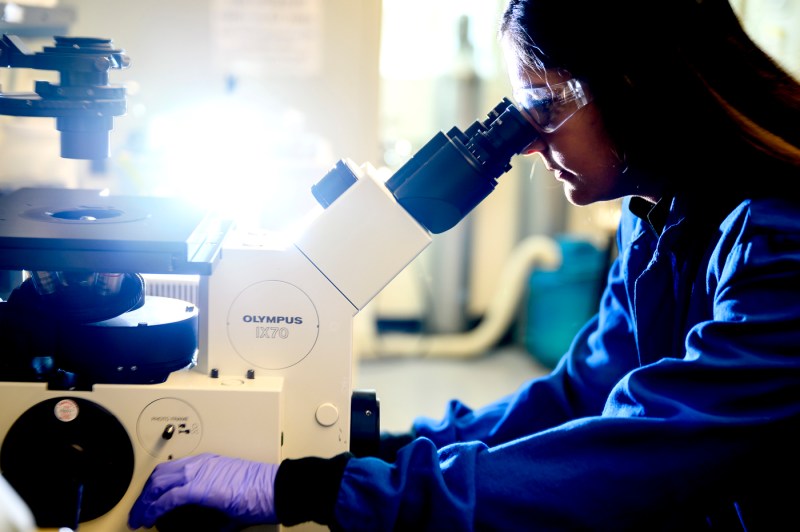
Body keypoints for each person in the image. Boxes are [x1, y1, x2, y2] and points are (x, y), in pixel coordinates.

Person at [128, 0, 800, 529]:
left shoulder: (781, 237)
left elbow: (642, 454)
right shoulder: (658, 213)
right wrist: (378, 455)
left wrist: (312, 489)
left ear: (634, 82)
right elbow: (580, 396)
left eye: (543, 104)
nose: (531, 141)